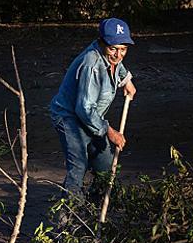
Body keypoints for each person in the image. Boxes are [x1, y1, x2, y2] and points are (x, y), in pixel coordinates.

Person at [49, 17, 138, 195]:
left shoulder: (112, 56)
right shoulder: (92, 66)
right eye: (113, 48)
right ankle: (70, 217)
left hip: (92, 118)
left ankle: (95, 211)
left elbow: (118, 63)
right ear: (101, 42)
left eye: (123, 49)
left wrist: (126, 80)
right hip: (70, 118)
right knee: (78, 167)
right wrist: (109, 131)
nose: (118, 54)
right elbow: (83, 109)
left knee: (105, 166)